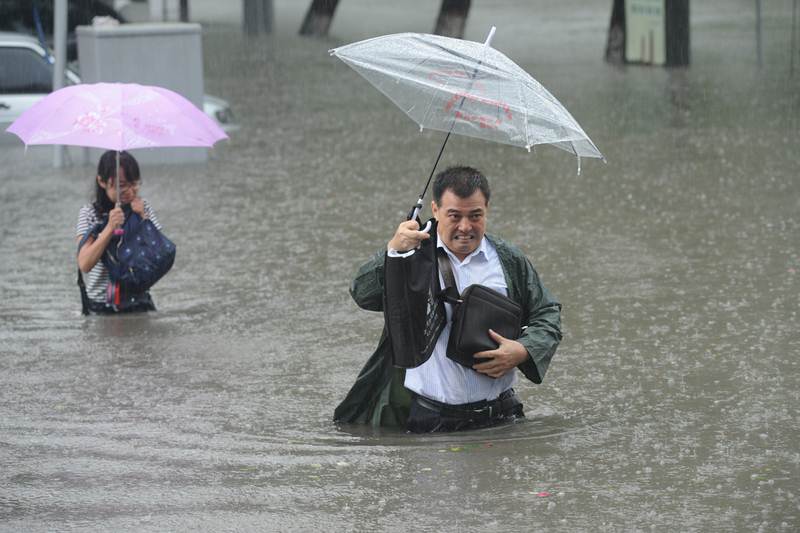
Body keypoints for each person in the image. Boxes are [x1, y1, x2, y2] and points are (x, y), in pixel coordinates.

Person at [334, 166, 562, 433]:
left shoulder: (508, 259)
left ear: (487, 209)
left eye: (476, 216)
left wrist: (522, 350)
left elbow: (547, 313)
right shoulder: (410, 257)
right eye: (454, 216)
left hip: (503, 416)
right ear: (435, 209)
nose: (465, 227)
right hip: (433, 421)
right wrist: (392, 251)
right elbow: (362, 293)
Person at [76, 150, 162, 314]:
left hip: (138, 301)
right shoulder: (89, 214)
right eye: (122, 185)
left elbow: (158, 255)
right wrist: (109, 228)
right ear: (101, 181)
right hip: (101, 306)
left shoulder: (143, 208)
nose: (130, 191)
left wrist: (143, 219)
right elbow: (84, 264)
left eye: (135, 183)